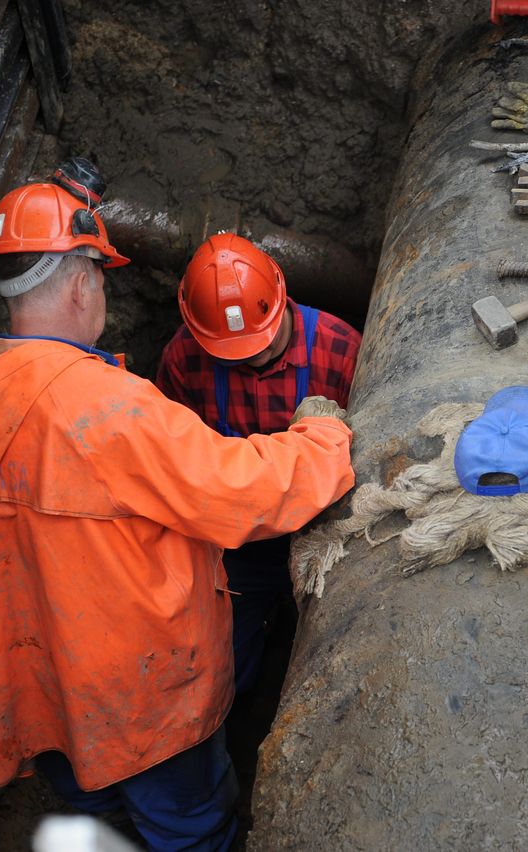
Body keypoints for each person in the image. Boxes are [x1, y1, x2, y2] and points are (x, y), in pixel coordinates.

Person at [0, 167, 355, 851]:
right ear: (82, 281)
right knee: (192, 828)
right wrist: (323, 437)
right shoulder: (106, 409)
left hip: (38, 701)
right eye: (101, 276)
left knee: (100, 811)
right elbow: (241, 491)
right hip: (144, 711)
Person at [155, 233, 361, 695]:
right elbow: (172, 460)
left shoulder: (341, 349)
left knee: (325, 658)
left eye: (261, 347)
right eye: (233, 353)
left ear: (281, 298)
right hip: (236, 543)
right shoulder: (185, 359)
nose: (249, 357)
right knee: (225, 670)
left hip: (320, 530)